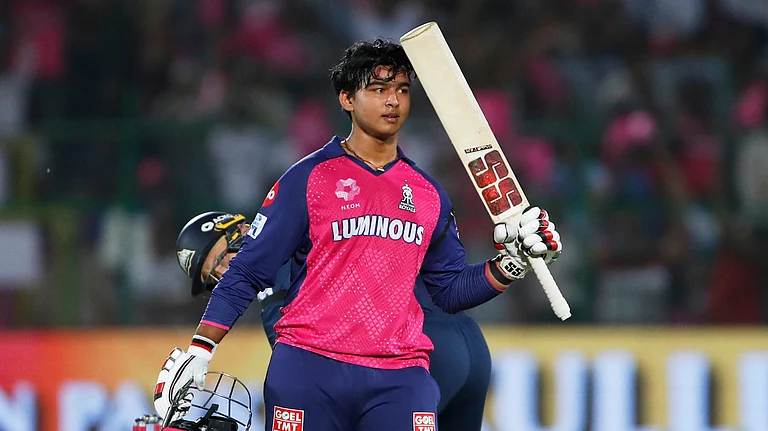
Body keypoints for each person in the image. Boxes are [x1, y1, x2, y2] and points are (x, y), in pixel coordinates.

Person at [155, 38, 562, 431]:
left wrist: (511, 263)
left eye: (400, 89)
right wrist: (201, 348)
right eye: (379, 89)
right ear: (346, 99)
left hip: (403, 368)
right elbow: (246, 273)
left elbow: (451, 290)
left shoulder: (428, 192)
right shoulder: (307, 179)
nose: (392, 101)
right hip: (314, 367)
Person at [168, 210, 493, 430]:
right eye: (214, 278)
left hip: (417, 355)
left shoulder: (273, 264)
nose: (224, 276)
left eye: (220, 261)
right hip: (467, 343)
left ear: (239, 232)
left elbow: (307, 379)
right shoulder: (308, 219)